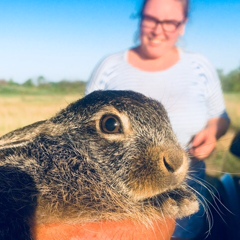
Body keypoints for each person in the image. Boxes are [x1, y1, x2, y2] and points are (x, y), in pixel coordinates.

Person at [86, 0, 230, 238]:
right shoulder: (110, 67)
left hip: (187, 193)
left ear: (182, 26)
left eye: (169, 22)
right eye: (151, 19)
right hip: (124, 201)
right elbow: (85, 128)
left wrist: (213, 133)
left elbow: (219, 117)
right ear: (140, 18)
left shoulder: (199, 66)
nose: (157, 29)